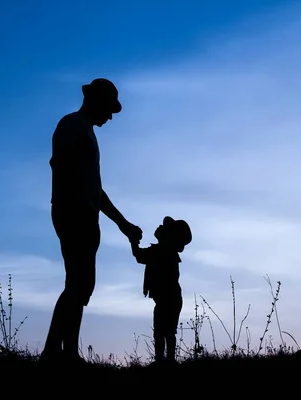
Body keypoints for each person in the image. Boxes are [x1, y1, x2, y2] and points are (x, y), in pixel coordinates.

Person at [40, 78, 143, 365]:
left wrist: (122, 223)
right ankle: (53, 352)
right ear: (96, 101)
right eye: (109, 109)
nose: (110, 116)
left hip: (83, 214)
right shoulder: (72, 125)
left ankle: (67, 353)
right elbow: (61, 167)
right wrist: (76, 205)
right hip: (74, 214)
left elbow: (95, 188)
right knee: (76, 284)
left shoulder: (86, 131)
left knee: (81, 285)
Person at [130, 216, 192, 364]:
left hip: (169, 298)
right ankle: (164, 360)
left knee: (166, 331)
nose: (159, 226)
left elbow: (139, 256)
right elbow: (139, 256)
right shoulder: (162, 250)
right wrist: (133, 242)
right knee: (163, 331)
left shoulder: (162, 251)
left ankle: (166, 360)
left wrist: (133, 241)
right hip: (170, 298)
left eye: (164, 228)